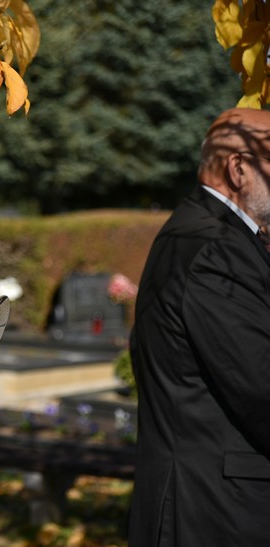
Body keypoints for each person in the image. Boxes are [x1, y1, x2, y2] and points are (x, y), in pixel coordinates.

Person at [128, 108, 270, 545]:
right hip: (212, 515)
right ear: (239, 168)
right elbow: (262, 387)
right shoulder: (213, 250)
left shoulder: (206, 236)